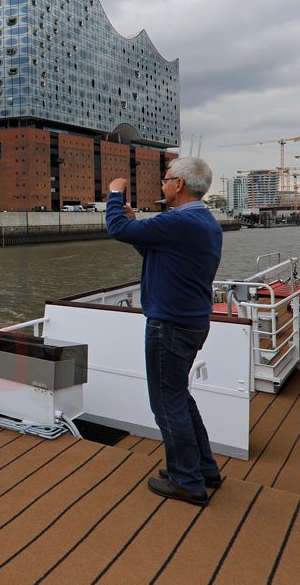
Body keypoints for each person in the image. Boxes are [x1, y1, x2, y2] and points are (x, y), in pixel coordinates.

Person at [105, 157, 223, 507]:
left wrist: (114, 194)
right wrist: (135, 222)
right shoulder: (198, 221)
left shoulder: (179, 220)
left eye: (166, 179)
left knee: (167, 404)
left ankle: (186, 481)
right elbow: (152, 246)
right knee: (180, 398)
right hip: (190, 321)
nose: (162, 184)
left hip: (169, 325)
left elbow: (117, 231)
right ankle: (205, 470)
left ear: (180, 185)